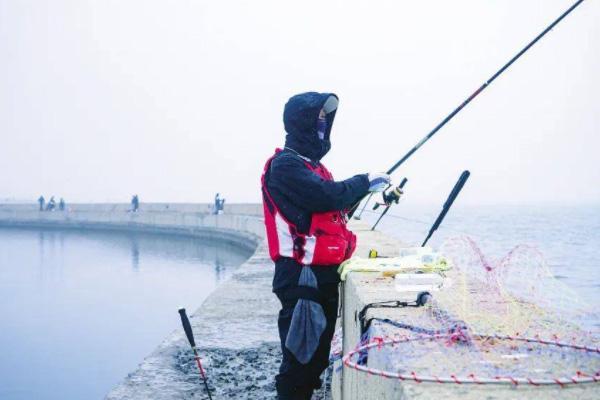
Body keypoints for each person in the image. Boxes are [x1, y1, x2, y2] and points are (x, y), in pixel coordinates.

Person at [261, 92, 390, 399]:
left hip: (321, 277)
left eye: (325, 118)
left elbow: (331, 207)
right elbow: (325, 196)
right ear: (300, 122)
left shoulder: (312, 167)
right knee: (300, 362)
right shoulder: (285, 166)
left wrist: (362, 192)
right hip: (302, 277)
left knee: (315, 359)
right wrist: (363, 181)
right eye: (317, 117)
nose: (322, 124)